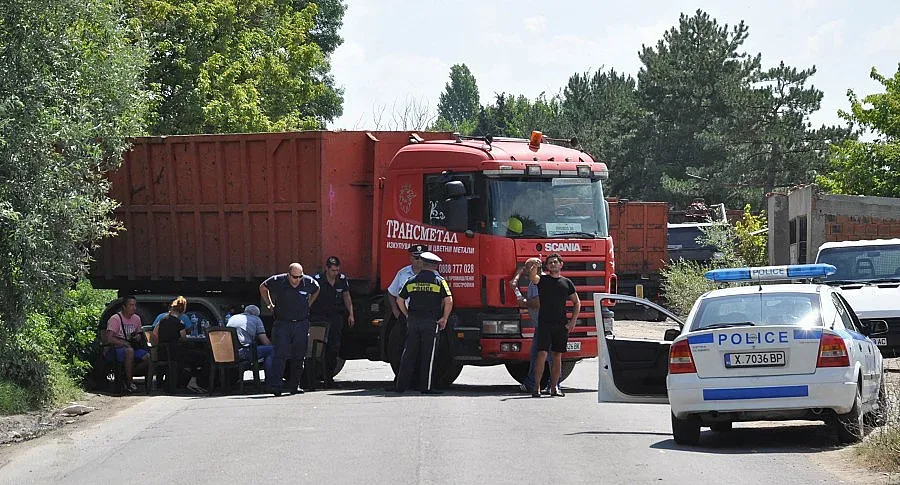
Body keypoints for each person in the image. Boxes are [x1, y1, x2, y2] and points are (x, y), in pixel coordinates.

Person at [394, 251, 453, 394]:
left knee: (408, 353)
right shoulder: (439, 281)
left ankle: (400, 386)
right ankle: (426, 387)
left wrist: (407, 315)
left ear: (423, 264)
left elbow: (399, 300)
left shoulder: (412, 280)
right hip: (430, 322)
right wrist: (444, 318)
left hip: (413, 321)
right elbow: (448, 301)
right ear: (435, 266)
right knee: (428, 355)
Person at [260, 263, 320, 396]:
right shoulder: (278, 280)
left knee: (299, 356)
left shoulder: (308, 282)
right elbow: (263, 287)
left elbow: (317, 289)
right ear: (288, 274)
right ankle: (276, 386)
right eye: (294, 277)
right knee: (279, 355)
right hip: (283, 323)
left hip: (301, 324)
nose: (297, 280)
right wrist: (270, 304)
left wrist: (308, 304)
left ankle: (295, 386)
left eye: (300, 277)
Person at [528, 253, 580, 398]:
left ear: (561, 264)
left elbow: (577, 302)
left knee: (557, 356)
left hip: (561, 325)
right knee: (542, 354)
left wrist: (572, 321)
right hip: (544, 323)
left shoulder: (567, 282)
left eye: (555, 262)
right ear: (547, 266)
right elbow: (533, 277)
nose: (553, 264)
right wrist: (535, 266)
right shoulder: (543, 280)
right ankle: (536, 387)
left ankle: (554, 388)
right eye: (550, 263)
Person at [310, 256, 355, 388]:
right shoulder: (317, 280)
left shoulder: (341, 280)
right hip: (319, 317)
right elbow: (310, 297)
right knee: (315, 349)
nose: (335, 273)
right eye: (333, 270)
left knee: (333, 348)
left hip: (336, 317)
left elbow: (346, 296)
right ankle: (311, 379)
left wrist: (351, 314)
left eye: (337, 270)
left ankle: (329, 379)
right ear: (326, 269)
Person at [151, 296, 207, 393]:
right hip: (175, 354)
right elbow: (184, 339)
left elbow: (154, 334)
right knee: (201, 356)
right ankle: (193, 381)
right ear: (182, 310)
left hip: (162, 352)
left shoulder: (162, 320)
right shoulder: (180, 323)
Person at [510, 257, 546, 393]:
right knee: (539, 355)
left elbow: (537, 303)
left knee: (539, 355)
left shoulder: (536, 283)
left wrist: (524, 302)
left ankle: (533, 383)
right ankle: (546, 383)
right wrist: (515, 282)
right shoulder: (536, 281)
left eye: (527, 268)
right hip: (541, 324)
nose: (524, 270)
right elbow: (521, 270)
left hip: (543, 325)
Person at [104, 295, 150, 393]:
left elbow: (139, 335)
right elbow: (109, 338)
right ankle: (129, 383)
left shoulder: (136, 318)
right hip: (116, 348)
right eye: (131, 305)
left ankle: (125, 376)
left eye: (135, 305)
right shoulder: (115, 319)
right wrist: (124, 343)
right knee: (129, 351)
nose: (134, 308)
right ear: (124, 307)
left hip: (132, 345)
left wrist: (137, 337)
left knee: (148, 357)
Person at [226, 305, 274, 389]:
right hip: (244, 353)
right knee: (271, 350)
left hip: (229, 353)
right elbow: (264, 340)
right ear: (255, 314)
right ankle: (270, 384)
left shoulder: (232, 318)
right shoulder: (256, 319)